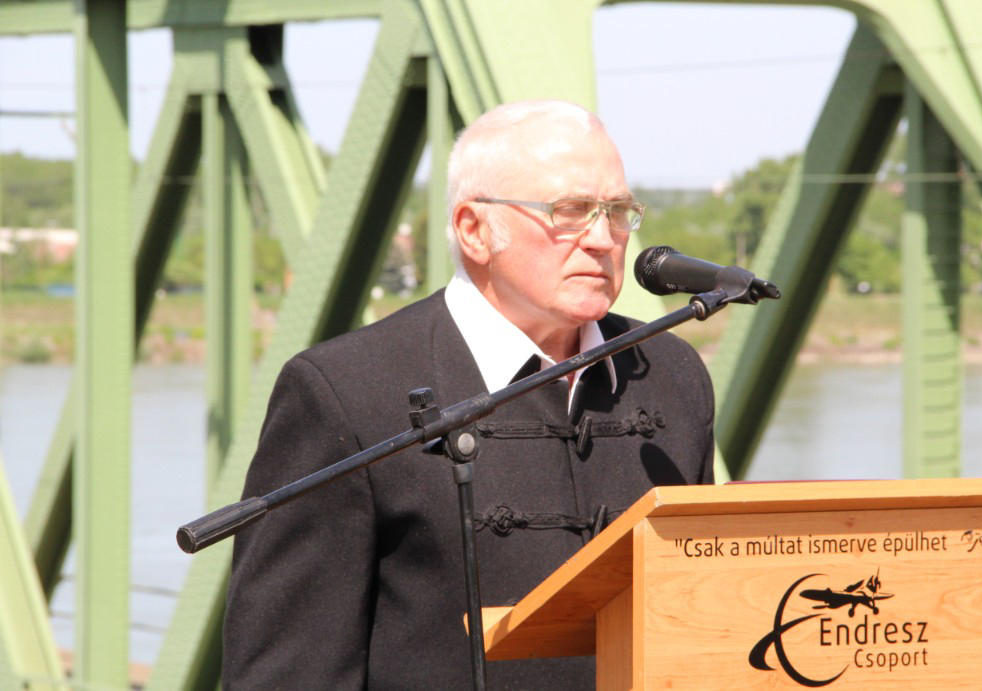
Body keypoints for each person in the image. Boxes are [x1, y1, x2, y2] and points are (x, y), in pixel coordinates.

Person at [222, 100, 715, 689]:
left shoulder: (670, 373)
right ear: (474, 231)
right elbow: (288, 673)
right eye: (570, 211)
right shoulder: (343, 391)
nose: (602, 238)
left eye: (617, 212)